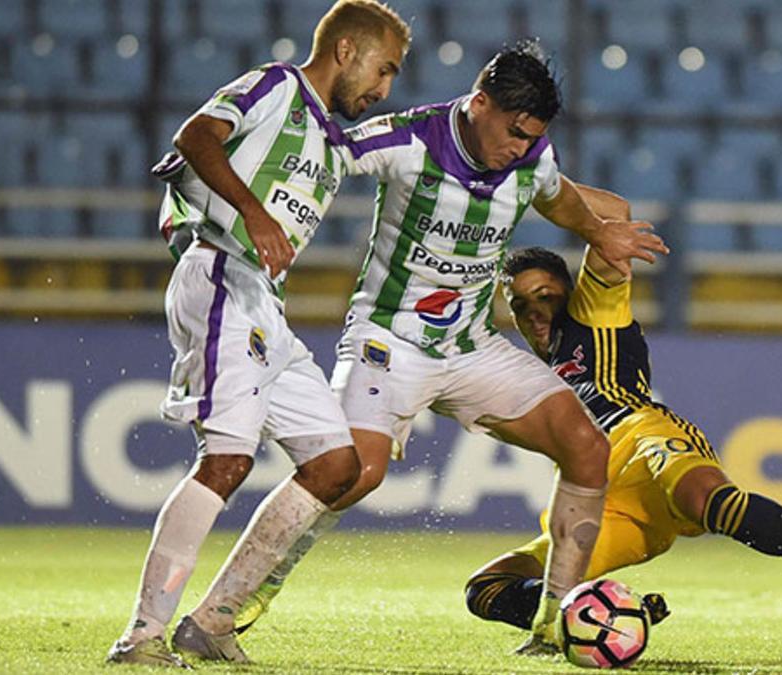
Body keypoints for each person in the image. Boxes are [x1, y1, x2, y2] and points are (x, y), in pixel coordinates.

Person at [228, 40, 670, 654]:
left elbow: (557, 193)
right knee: (351, 474)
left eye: (530, 138)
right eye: (513, 132)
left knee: (586, 446)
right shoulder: (407, 140)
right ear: (478, 102)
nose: (519, 148)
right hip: (390, 341)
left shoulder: (531, 156)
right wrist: (243, 198)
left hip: (470, 346)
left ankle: (551, 625)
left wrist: (599, 230)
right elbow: (324, 155)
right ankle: (227, 608)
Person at [461, 186, 782, 650]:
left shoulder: (593, 314)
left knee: (706, 499)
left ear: (570, 293)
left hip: (641, 438)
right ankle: (610, 615)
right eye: (522, 305)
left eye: (546, 296)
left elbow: (614, 210)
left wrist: (523, 182)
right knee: (486, 588)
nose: (536, 313)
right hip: (597, 498)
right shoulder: (529, 368)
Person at [105, 1, 411, 667]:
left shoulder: (330, 138)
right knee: (227, 458)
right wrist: (248, 212)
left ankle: (211, 622)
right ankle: (142, 634)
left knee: (337, 466)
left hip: (263, 302)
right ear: (346, 50)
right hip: (220, 276)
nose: (385, 88)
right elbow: (194, 137)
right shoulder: (277, 85)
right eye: (383, 70)